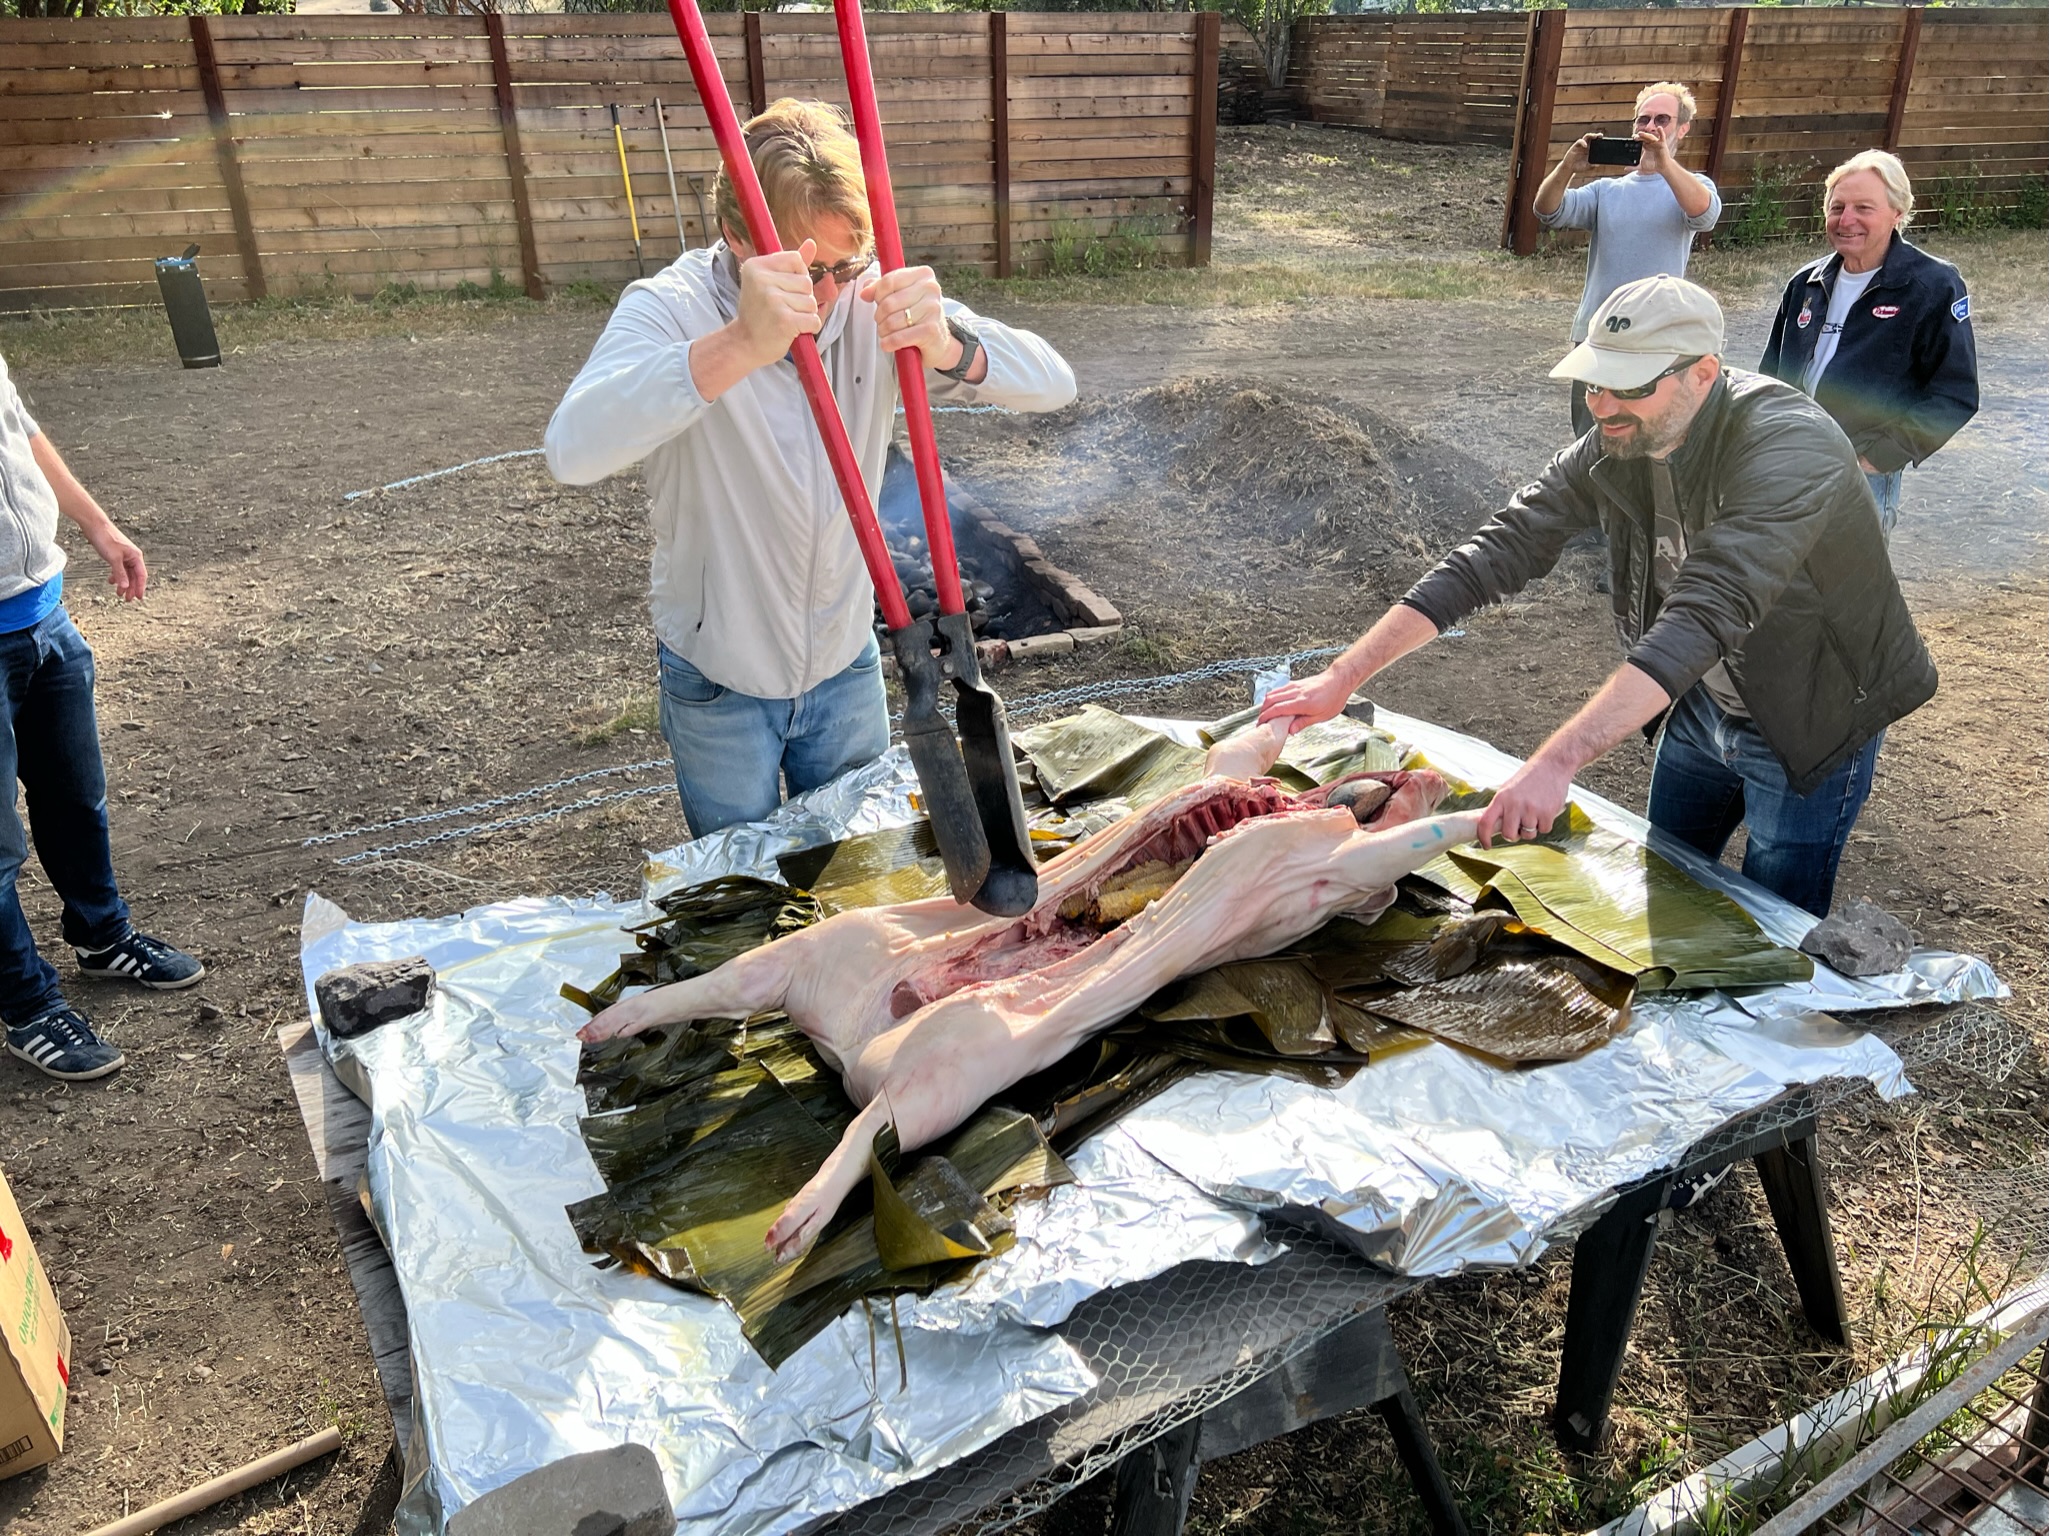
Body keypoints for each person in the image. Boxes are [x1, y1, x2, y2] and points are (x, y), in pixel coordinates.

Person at [1259, 275, 1937, 920]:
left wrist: (1554, 762)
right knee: (1664, 875)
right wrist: (1342, 676)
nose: (1602, 405)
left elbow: (1706, 608)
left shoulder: (1790, 445)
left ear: (1701, 373)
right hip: (1697, 700)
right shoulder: (1617, 438)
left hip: (1814, 710)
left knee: (1776, 898)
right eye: (1593, 383)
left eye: (1627, 385)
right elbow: (1501, 547)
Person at [546, 99, 1076, 838]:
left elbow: (1054, 382)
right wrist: (737, 344)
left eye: (845, 264)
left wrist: (952, 344)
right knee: (744, 881)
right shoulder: (671, 308)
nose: (828, 294)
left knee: (862, 869)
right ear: (736, 234)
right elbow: (572, 451)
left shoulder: (870, 300)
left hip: (844, 658)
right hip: (717, 670)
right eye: (805, 267)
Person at [1, 350, 205, 1082]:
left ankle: (102, 936)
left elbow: (21, 431)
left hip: (44, 617)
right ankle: (27, 1006)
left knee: (75, 800)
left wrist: (97, 525)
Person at [1760, 149, 1977, 537]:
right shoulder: (1805, 283)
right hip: (1790, 463)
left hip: (1861, 475)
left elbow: (1955, 393)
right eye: (1837, 207)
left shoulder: (1931, 286)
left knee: (1846, 590)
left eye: (1864, 208)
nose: (1847, 220)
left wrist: (1879, 456)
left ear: (1897, 212)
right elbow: (1771, 375)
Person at [1534, 82, 1722, 437]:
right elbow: (1548, 211)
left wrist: (1664, 164)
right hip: (1597, 334)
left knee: (1644, 437)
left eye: (1662, 120)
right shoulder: (1607, 190)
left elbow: (1705, 215)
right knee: (1590, 436)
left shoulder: (1693, 184)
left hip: (1656, 339)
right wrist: (1567, 166)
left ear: (1682, 128)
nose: (1650, 128)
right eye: (1644, 120)